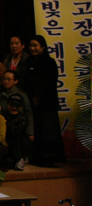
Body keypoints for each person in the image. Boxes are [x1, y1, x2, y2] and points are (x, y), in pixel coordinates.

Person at [26, 34, 65, 167]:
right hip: (32, 102)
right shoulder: (28, 61)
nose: (33, 48)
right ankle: (37, 157)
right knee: (36, 129)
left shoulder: (49, 62)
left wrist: (39, 97)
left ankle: (50, 158)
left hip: (47, 102)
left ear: (43, 47)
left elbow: (49, 82)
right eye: (31, 46)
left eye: (36, 46)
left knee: (48, 130)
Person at [0, 70, 33, 140]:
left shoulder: (22, 95)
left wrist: (30, 132)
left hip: (19, 128)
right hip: (4, 128)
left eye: (9, 79)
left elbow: (28, 113)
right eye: (4, 79)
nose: (6, 81)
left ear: (16, 81)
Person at [3, 94, 32, 171]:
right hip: (5, 143)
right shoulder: (3, 115)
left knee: (19, 137)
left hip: (17, 145)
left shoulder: (23, 118)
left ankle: (21, 159)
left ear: (21, 107)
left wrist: (6, 124)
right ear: (7, 105)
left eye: (17, 106)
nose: (14, 108)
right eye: (12, 105)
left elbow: (14, 131)